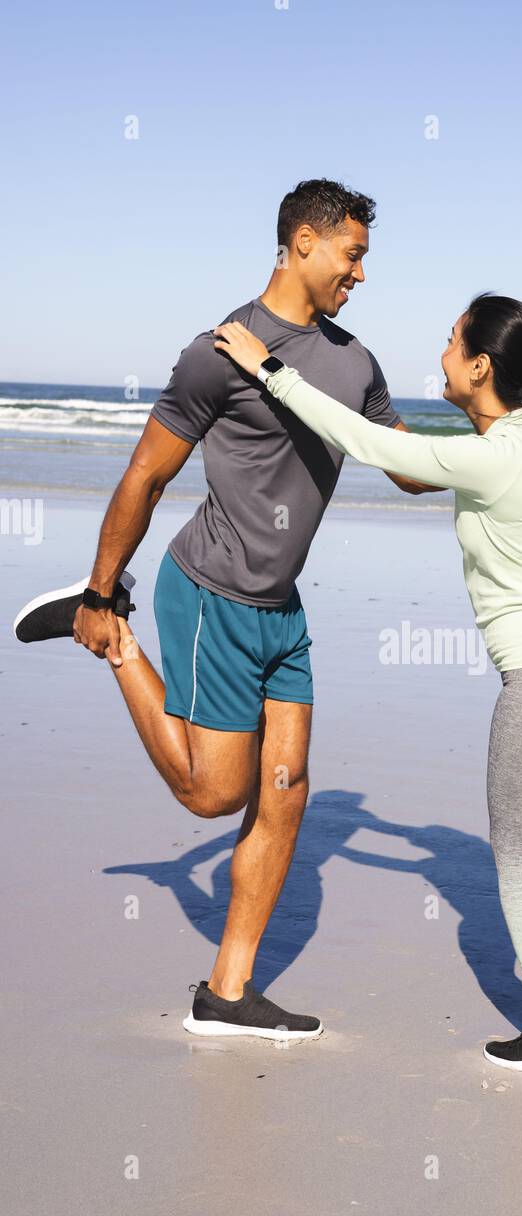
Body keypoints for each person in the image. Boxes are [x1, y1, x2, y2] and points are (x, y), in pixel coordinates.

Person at [211, 295, 522, 1080]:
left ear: (480, 367)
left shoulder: (489, 457)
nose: (440, 353)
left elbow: (363, 440)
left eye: (450, 343)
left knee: (515, 861)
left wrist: (267, 368)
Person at [13, 178, 432, 1042]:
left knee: (285, 793)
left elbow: (405, 466)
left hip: (281, 610)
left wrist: (497, 435)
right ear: (304, 243)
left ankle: (226, 993)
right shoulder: (219, 350)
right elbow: (146, 473)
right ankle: (112, 637)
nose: (360, 274)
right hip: (207, 592)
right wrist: (100, 587)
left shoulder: (355, 362)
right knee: (214, 796)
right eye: (352, 254)